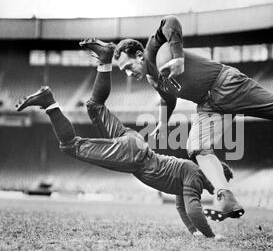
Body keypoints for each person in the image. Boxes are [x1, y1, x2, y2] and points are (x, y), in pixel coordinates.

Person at [111, 15, 273, 221]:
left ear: (137, 55)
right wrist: (161, 122)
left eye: (127, 66)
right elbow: (170, 99)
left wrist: (177, 57)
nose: (127, 73)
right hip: (209, 104)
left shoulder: (153, 49)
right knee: (197, 147)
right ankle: (225, 197)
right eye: (122, 71)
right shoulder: (151, 77)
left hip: (227, 84)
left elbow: (171, 21)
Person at [14, 39, 234, 239]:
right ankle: (49, 102)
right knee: (71, 146)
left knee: (94, 106)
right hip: (135, 156)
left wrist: (195, 231)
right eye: (218, 184)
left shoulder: (190, 173)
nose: (217, 190)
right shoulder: (194, 177)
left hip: (134, 142)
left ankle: (105, 59)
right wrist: (210, 236)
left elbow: (182, 208)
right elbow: (193, 208)